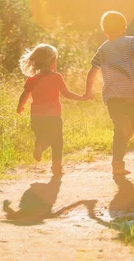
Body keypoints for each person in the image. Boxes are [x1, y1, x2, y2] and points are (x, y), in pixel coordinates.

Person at [84, 11, 134, 176]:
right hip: (130, 94)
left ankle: (117, 163)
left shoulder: (102, 49)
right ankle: (121, 150)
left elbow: (92, 72)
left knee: (121, 130)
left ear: (105, 31)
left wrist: (88, 92)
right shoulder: (130, 41)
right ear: (123, 28)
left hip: (112, 96)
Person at [17, 44, 86, 176]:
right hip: (53, 116)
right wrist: (82, 98)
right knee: (57, 142)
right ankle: (56, 168)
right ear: (51, 62)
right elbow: (67, 94)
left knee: (44, 137)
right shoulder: (56, 77)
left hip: (36, 117)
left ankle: (40, 145)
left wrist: (20, 107)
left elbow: (24, 94)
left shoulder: (32, 79)